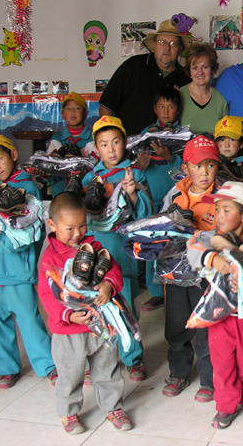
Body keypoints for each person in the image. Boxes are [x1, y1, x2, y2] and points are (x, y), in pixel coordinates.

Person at [0, 135, 56, 389]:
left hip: (17, 271)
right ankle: (6, 368)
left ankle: (48, 365)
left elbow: (28, 232)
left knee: (29, 319)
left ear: (13, 155)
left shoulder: (26, 188)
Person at [38, 192, 132, 434]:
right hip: (68, 330)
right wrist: (67, 316)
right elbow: (47, 294)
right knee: (70, 374)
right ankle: (69, 413)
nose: (77, 234)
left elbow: (113, 270)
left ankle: (113, 407)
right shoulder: (50, 258)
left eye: (82, 226)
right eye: (69, 228)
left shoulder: (94, 247)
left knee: (107, 368)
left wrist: (108, 285)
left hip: (100, 324)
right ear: (52, 225)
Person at [186, 181, 243, 429]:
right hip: (219, 315)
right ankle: (225, 405)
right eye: (217, 209)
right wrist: (213, 259)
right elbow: (192, 249)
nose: (218, 216)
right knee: (222, 362)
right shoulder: (207, 236)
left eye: (226, 210)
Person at [81, 116, 152, 380]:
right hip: (97, 254)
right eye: (104, 144)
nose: (111, 150)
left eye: (116, 142)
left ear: (125, 144)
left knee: (126, 310)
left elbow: (144, 216)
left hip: (123, 254)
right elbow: (83, 220)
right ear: (96, 148)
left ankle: (132, 358)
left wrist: (133, 193)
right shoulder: (90, 177)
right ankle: (99, 361)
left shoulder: (134, 173)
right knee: (97, 309)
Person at [161, 135, 219, 400]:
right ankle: (178, 372)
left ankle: (208, 379)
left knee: (207, 324)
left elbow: (228, 234)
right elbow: (159, 229)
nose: (204, 172)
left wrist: (199, 233)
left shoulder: (222, 196)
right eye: (197, 166)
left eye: (210, 165)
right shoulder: (174, 194)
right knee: (177, 323)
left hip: (206, 273)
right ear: (185, 168)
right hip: (175, 271)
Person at [136, 86, 184, 312]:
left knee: (173, 245)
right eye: (161, 106)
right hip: (148, 200)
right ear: (154, 109)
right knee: (150, 245)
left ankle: (173, 286)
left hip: (173, 202)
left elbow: (185, 171)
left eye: (171, 106)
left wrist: (170, 158)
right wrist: (140, 165)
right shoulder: (144, 136)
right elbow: (135, 172)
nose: (166, 111)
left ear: (178, 110)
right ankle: (155, 293)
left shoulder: (182, 136)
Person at [99, 20, 191, 134]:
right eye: (162, 42)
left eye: (173, 44)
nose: (167, 48)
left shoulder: (186, 79)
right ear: (154, 45)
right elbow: (107, 106)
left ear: (180, 48)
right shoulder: (132, 67)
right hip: (128, 146)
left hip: (168, 149)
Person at [45, 92, 95, 196]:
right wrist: (44, 172)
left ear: (86, 113)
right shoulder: (56, 140)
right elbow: (49, 171)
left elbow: (96, 168)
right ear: (62, 115)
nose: (73, 112)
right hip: (60, 193)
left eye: (77, 108)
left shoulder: (93, 139)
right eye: (68, 109)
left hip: (85, 194)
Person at [179, 43, 228, 136]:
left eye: (205, 67)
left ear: (212, 69)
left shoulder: (220, 100)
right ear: (189, 71)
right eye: (195, 68)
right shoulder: (179, 96)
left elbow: (224, 137)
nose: (200, 72)